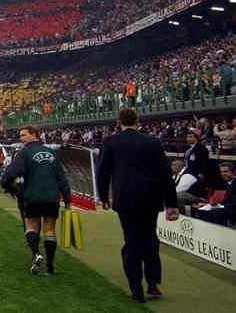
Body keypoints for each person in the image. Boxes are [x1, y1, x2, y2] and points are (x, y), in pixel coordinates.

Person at [96, 108, 179, 303]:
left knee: (131, 240)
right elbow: (165, 175)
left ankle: (136, 286)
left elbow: (102, 173)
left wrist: (103, 197)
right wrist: (171, 204)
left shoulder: (110, 142)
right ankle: (153, 282)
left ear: (119, 122)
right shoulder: (152, 142)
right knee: (150, 238)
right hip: (150, 199)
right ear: (138, 121)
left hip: (125, 199)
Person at [1, 126, 71, 275]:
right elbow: (61, 177)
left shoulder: (24, 152)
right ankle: (51, 266)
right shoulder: (51, 153)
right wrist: (67, 198)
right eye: (20, 135)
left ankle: (36, 254)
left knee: (31, 226)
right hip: (52, 197)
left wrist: (8, 186)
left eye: (24, 135)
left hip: (33, 195)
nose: (21, 138)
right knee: (50, 229)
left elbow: (12, 173)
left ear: (34, 135)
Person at [193, 162, 234, 227]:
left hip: (232, 209)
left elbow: (232, 204)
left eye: (225, 171)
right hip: (228, 208)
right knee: (201, 209)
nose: (223, 174)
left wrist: (215, 206)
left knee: (214, 212)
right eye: (221, 172)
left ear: (234, 172)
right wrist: (209, 205)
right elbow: (226, 201)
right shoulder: (227, 183)